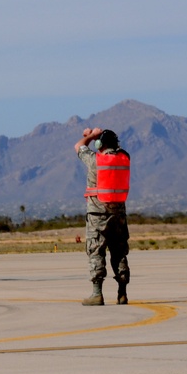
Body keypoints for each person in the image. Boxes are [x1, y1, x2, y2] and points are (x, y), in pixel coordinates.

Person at [75, 127, 130, 305]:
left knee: (96, 251)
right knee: (119, 252)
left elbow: (78, 146)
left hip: (97, 214)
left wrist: (91, 136)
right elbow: (119, 151)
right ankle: (122, 293)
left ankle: (97, 293)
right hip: (118, 214)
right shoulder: (124, 158)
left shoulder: (95, 160)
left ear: (100, 144)